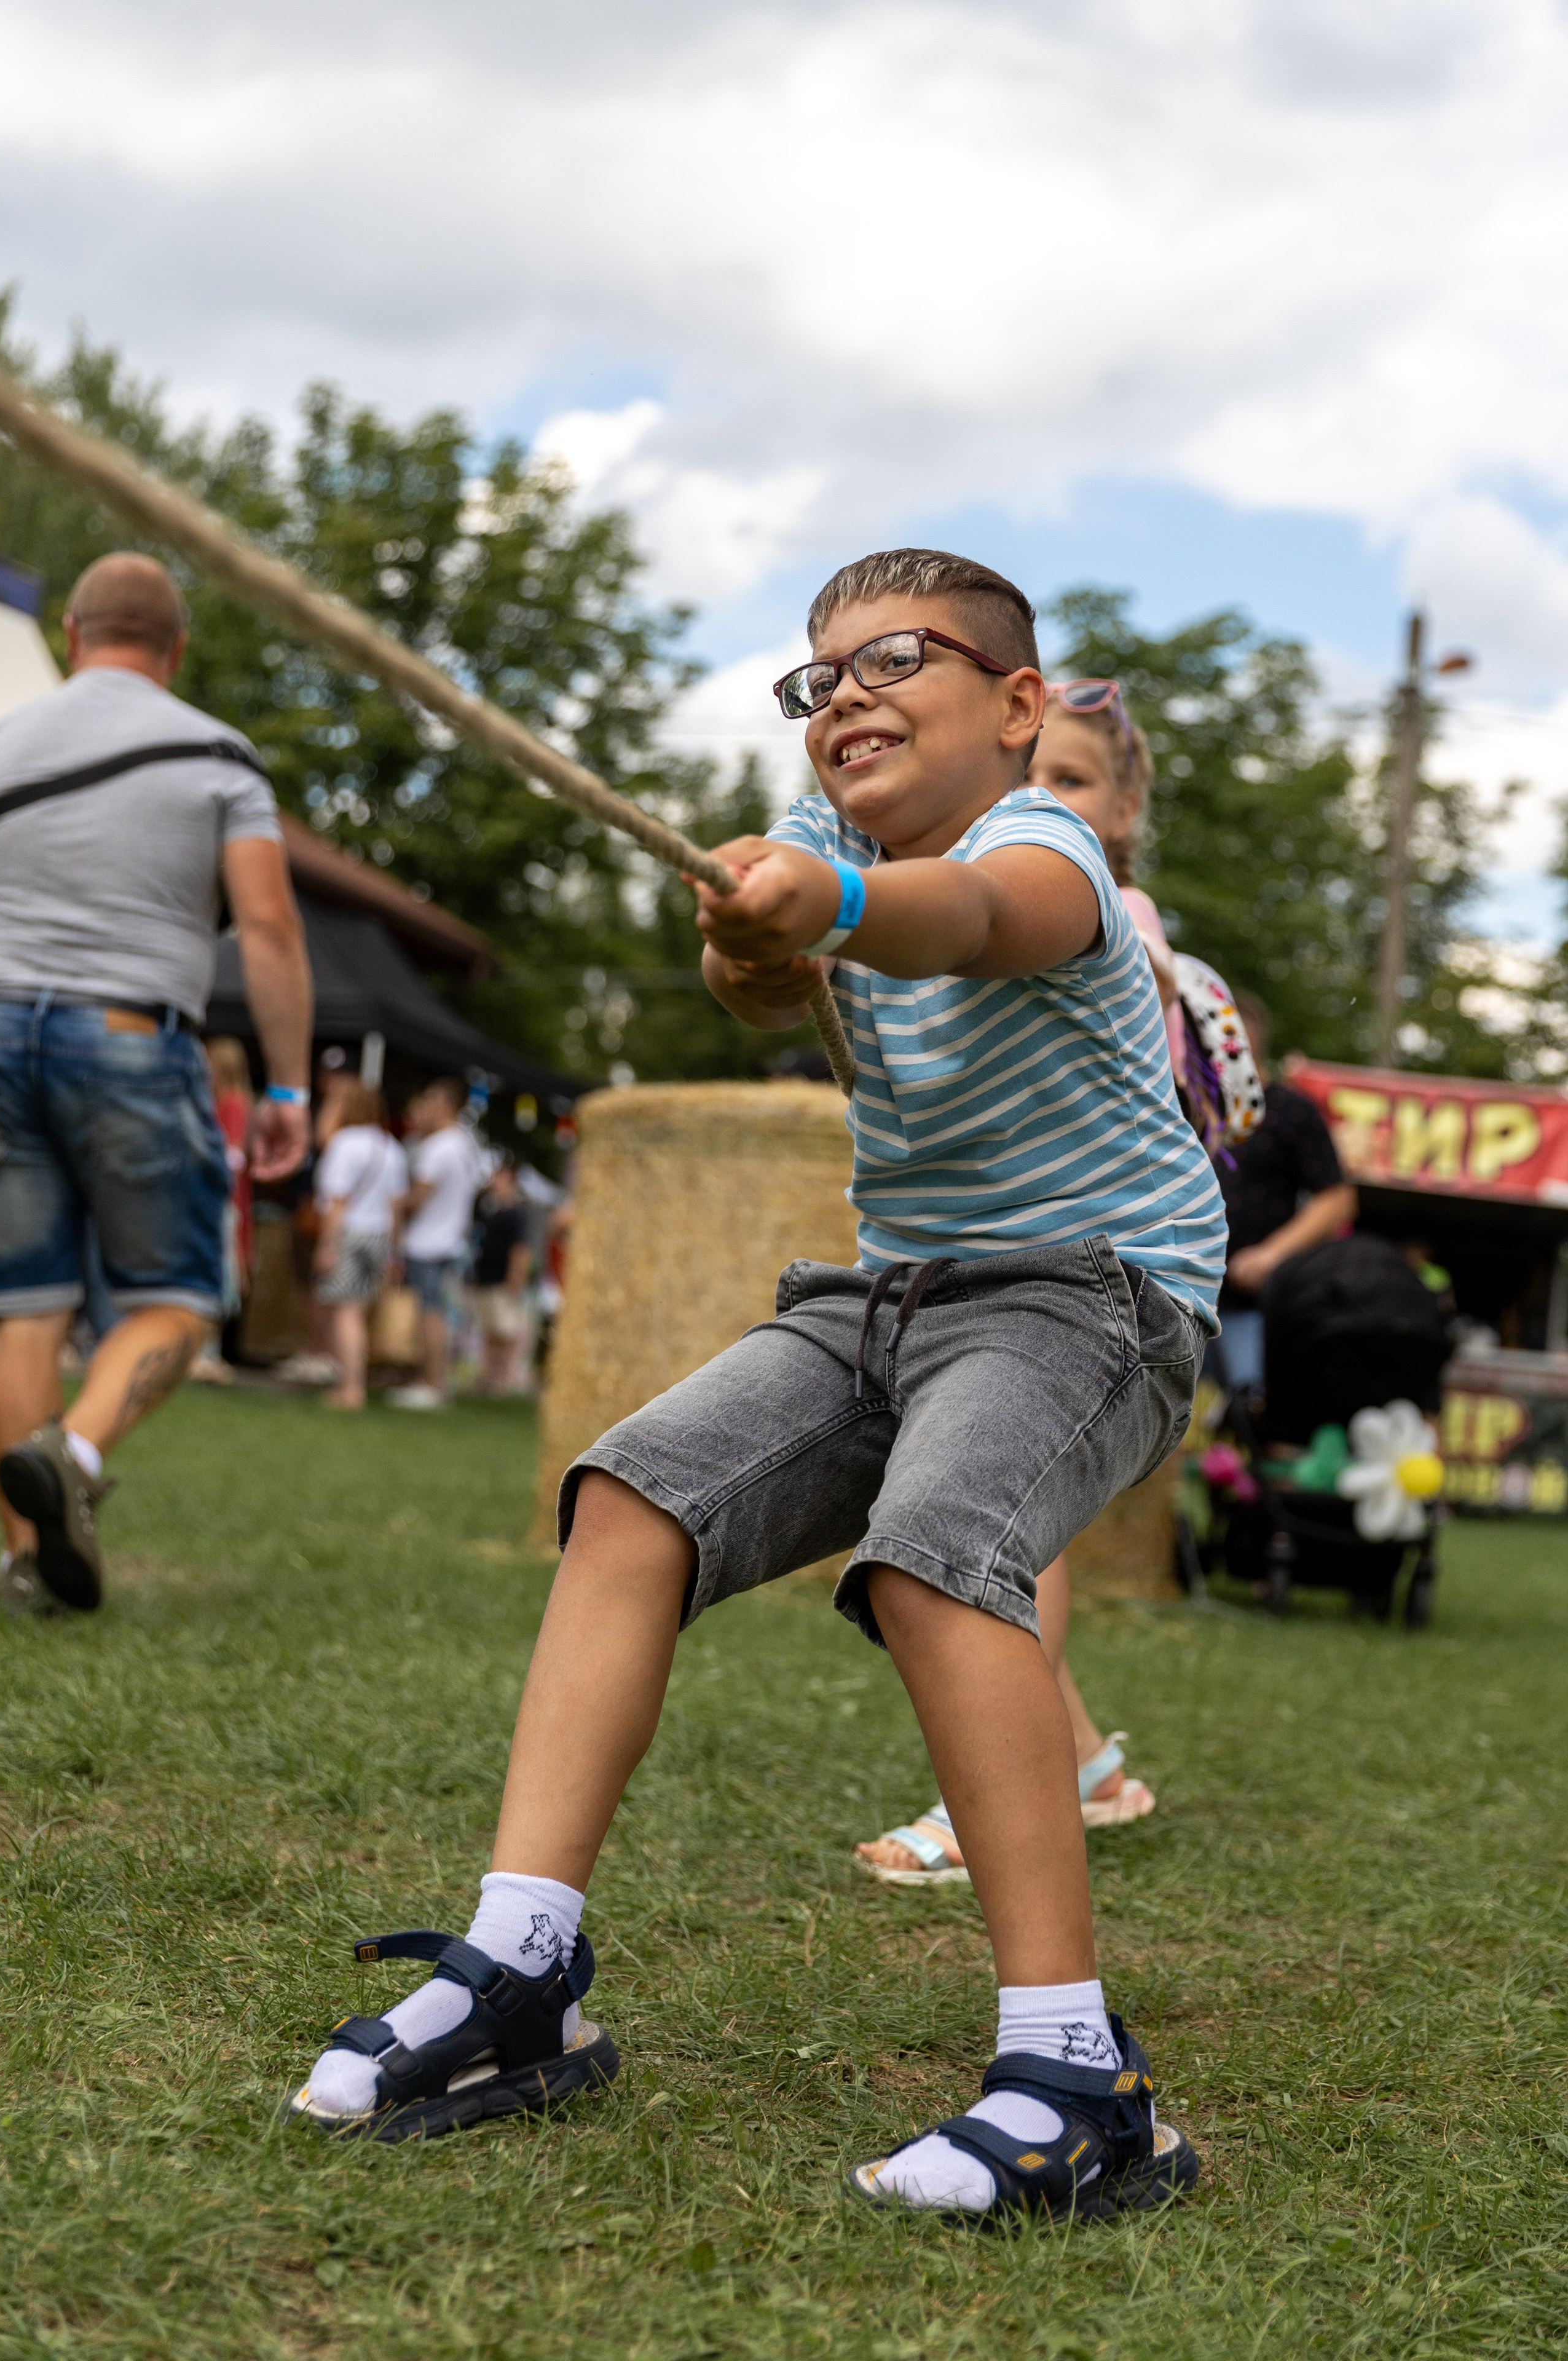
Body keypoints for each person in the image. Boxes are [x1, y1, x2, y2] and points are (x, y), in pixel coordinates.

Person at [293, 548, 1224, 2228]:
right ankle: (522, 1967)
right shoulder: (821, 842)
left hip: (1094, 1294)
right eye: (821, 676)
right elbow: (758, 977)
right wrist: (756, 942)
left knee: (934, 1557)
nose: (847, 692)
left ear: (1018, 705)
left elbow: (979, 923)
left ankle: (1078, 2080)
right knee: (629, 1497)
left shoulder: (1047, 845)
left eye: (898, 657)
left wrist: (831, 908)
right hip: (892, 1294)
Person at [855, 679, 1175, 1880]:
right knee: (1009, 1525)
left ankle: (981, 1796)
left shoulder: (1111, 912)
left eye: (1070, 782)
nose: (1037, 802)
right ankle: (1084, 1765)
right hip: (1000, 1267)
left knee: (992, 1534)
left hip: (1080, 1287)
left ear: (1124, 812)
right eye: (1026, 779)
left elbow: (1111, 980)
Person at [0, 553, 312, 1616]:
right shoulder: (216, 754)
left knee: (23, 1308)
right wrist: (287, 1091)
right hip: (129, 1033)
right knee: (178, 1300)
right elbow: (267, 928)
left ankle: (33, 1560)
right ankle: (76, 1456)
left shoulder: (2, 741)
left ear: (71, 637)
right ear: (175, 651)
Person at [1215, 991, 1356, 1394]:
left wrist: (1271, 1255)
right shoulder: (1183, 1106)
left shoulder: (1290, 1110)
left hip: (1248, 1306)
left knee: (1251, 1407)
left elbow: (1337, 1200)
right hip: (1175, 1295)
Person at [311, 1078, 408, 1411]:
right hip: (378, 1235)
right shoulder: (392, 1147)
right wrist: (395, 1252)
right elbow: (397, 1207)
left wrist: (326, 1245)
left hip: (349, 1233)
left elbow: (336, 1201)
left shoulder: (345, 1143)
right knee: (357, 1312)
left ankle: (351, 1388)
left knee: (345, 1312)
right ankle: (352, 1380)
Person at [388, 1078, 485, 1410]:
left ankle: (431, 1384)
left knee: (430, 1314)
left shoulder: (439, 1147)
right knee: (437, 1312)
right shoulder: (465, 1145)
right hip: (449, 1240)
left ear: (445, 1104)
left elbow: (417, 1198)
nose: (423, 1108)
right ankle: (432, 1381)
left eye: (429, 1101)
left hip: (428, 1242)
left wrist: (396, 1203)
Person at [188, 1035, 256, 1385]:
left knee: (218, 1271)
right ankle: (201, 1352)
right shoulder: (224, 1103)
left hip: (220, 1203)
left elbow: (232, 1159)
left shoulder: (233, 1104)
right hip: (219, 1201)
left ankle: (206, 1353)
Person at [468, 1162, 534, 1397]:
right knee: (490, 1330)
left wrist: (516, 1278)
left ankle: (503, 1378)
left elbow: (520, 1249)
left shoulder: (516, 1213)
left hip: (503, 1281)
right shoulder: (490, 1211)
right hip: (488, 1278)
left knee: (505, 1332)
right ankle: (488, 1376)